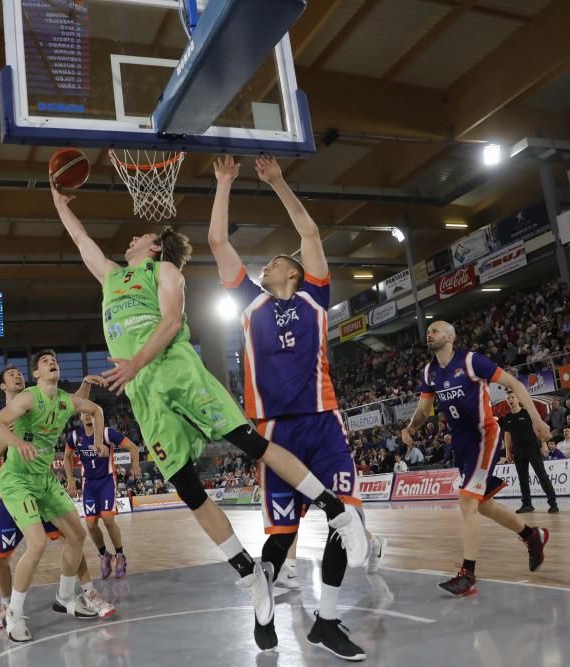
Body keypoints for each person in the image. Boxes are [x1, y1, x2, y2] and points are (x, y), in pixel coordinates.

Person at [52, 173, 367, 656]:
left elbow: (174, 321)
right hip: (145, 394)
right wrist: (59, 200)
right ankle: (250, 576)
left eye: (140, 235)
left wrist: (136, 360)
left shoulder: (166, 273)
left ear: (155, 248)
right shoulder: (111, 276)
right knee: (187, 488)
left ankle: (334, 511)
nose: (131, 237)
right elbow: (79, 238)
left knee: (250, 444)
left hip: (177, 371)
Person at [210, 155, 380, 660]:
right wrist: (224, 184)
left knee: (343, 519)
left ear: (295, 272)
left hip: (323, 424)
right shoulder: (249, 301)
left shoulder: (316, 298)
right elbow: (219, 242)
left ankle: (326, 620)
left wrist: (278, 182)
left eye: (276, 262)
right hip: (274, 433)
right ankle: (264, 598)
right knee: (280, 538)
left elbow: (308, 232)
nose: (267, 265)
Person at [402, 321, 551, 596]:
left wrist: (536, 418)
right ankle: (532, 536)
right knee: (482, 505)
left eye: (434, 330)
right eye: (427, 332)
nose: (429, 334)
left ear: (449, 336)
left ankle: (467, 574)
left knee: (467, 501)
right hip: (463, 443)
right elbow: (424, 410)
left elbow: (514, 383)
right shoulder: (429, 372)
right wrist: (411, 428)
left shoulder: (471, 362)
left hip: (486, 435)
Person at [0, 350, 112, 642]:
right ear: (36, 375)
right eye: (45, 362)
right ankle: (13, 613)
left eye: (54, 360)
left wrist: (96, 441)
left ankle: (65, 597)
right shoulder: (28, 398)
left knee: (77, 535)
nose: (52, 363)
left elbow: (95, 410)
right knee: (38, 544)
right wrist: (18, 443)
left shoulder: (65, 400)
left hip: (43, 481)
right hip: (17, 481)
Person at [65, 408, 141, 580]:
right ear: (80, 416)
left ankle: (120, 555)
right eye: (83, 412)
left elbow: (133, 447)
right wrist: (70, 480)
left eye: (90, 412)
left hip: (107, 481)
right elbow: (67, 457)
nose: (86, 415)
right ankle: (104, 555)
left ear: (96, 415)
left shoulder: (107, 433)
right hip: (89, 484)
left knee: (108, 520)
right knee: (90, 524)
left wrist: (135, 465)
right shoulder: (75, 436)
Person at [500, 394, 559, 513]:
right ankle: (527, 504)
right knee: (522, 478)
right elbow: (507, 435)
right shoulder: (507, 417)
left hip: (532, 447)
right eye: (508, 398)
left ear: (518, 399)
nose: (510, 400)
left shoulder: (527, 413)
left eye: (512, 397)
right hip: (517, 450)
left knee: (542, 475)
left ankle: (553, 503)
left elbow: (538, 428)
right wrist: (507, 451)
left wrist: (543, 444)